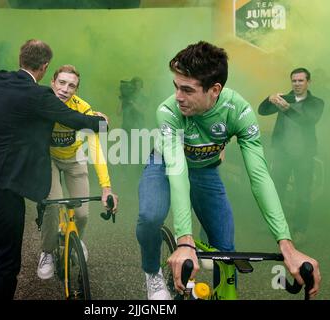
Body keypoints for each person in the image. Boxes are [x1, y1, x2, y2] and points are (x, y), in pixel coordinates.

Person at [136, 41, 321, 300]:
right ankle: (152, 273)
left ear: (215, 89)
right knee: (150, 216)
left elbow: (259, 176)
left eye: (187, 90)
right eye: (176, 86)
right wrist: (185, 240)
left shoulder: (239, 111)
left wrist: (286, 244)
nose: (178, 96)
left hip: (205, 168)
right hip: (166, 164)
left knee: (225, 250)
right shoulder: (168, 111)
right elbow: (177, 172)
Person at [0, 39, 107, 300]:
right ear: (46, 67)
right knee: (6, 258)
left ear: (20, 58)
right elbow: (74, 119)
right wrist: (101, 123)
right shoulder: (39, 96)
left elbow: (1, 110)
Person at [37, 65, 118, 279]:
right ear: (52, 82)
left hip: (75, 159)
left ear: (76, 90)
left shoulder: (84, 109)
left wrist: (106, 187)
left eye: (71, 85)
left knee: (82, 213)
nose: (65, 89)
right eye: (61, 83)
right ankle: (46, 252)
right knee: (53, 207)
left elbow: (95, 149)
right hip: (49, 159)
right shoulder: (41, 102)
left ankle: (76, 240)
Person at [258, 68, 324, 241]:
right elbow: (262, 111)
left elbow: (308, 120)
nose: (297, 84)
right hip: (283, 153)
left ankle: (300, 230)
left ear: (308, 82)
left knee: (302, 194)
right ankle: (277, 227)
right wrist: (269, 99)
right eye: (294, 81)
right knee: (277, 191)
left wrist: (287, 109)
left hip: (304, 156)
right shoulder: (284, 98)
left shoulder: (316, 102)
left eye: (300, 81)